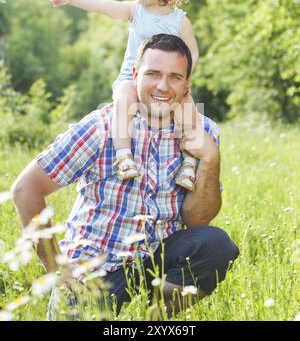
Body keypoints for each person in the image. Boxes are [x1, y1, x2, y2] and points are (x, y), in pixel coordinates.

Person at [12, 34, 239, 319]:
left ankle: (152, 319)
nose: (162, 86)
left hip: (158, 258)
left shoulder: (203, 132)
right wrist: (56, 265)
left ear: (187, 84)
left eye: (174, 77)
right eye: (153, 74)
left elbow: (197, 220)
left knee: (216, 244)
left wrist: (210, 158)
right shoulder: (104, 126)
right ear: (135, 75)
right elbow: (25, 189)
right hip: (97, 267)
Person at [42, 0, 200, 192]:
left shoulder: (180, 21)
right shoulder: (135, 11)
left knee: (191, 113)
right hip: (131, 77)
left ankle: (190, 165)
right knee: (124, 100)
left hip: (168, 82)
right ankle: (124, 156)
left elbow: (192, 51)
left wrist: (185, 79)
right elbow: (100, 4)